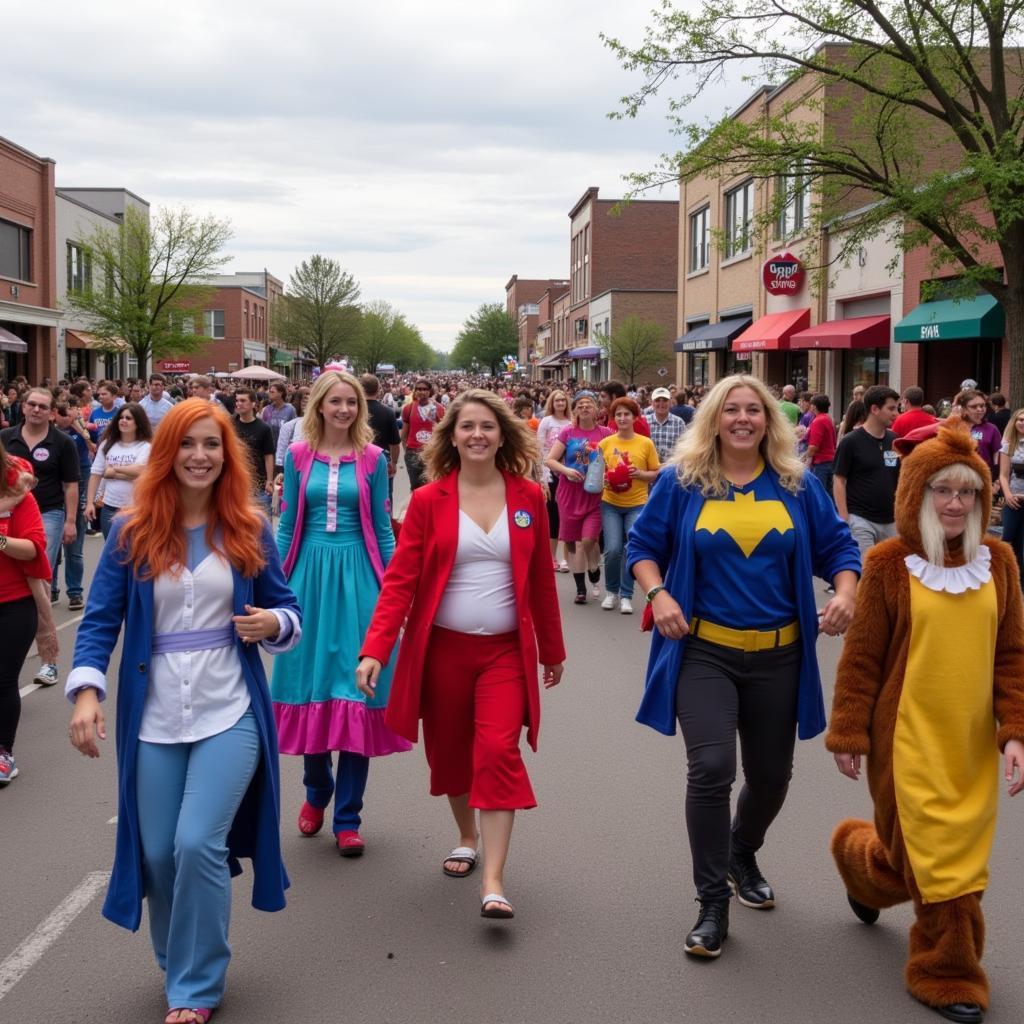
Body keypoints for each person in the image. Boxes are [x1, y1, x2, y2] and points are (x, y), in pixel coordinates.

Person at [66, 399, 301, 1024]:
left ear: (228, 455)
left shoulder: (251, 526)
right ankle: (178, 959)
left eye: (213, 444)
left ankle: (197, 983)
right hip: (155, 714)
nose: (201, 456)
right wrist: (87, 692)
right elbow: (98, 625)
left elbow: (288, 610)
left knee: (198, 842)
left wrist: (271, 622)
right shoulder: (131, 530)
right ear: (166, 453)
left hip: (231, 709)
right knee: (160, 852)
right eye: (189, 444)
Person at [627, 374, 860, 958]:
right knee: (710, 768)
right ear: (714, 418)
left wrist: (846, 591)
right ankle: (712, 902)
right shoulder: (684, 483)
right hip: (704, 649)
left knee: (772, 777)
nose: (742, 419)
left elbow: (839, 548)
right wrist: (659, 595)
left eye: (753, 410)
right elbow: (642, 548)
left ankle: (740, 849)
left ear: (769, 420)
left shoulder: (797, 484)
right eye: (730, 409)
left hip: (780, 655)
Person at [826, 423, 1024, 1024]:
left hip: (969, 745)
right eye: (943, 490)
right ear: (916, 493)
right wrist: (849, 731)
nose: (956, 504)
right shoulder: (888, 563)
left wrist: (1014, 730)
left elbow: (1012, 655)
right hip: (906, 738)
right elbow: (860, 659)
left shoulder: (1001, 562)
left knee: (926, 856)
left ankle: (862, 865)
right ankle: (948, 971)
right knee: (943, 862)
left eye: (967, 492)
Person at [357, 389, 565, 920]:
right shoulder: (429, 500)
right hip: (443, 651)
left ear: (503, 435)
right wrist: (376, 649)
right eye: (467, 426)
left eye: (487, 427)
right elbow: (400, 582)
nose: (477, 435)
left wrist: (552, 650)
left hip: (504, 654)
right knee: (450, 754)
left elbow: (541, 578)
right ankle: (465, 835)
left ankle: (493, 880)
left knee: (497, 750)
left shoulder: (527, 497)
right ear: (451, 436)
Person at [271, 370, 410, 857]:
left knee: (355, 691)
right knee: (312, 686)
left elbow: (383, 528)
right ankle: (315, 791)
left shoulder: (373, 460)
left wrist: (397, 590)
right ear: (319, 406)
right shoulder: (297, 455)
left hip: (359, 579)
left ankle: (349, 816)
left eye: (352, 402)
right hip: (308, 576)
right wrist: (277, 589)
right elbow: (287, 526)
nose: (345, 409)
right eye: (336, 402)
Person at [1, 386, 79, 684]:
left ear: (51, 412)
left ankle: (48, 659)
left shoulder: (62, 442)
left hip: (47, 512)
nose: (36, 410)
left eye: (42, 406)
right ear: (23, 407)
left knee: (39, 576)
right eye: (31, 404)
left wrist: (71, 521)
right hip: (6, 514)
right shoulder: (5, 439)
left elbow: (71, 484)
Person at [0, 440, 51, 785]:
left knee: (2, 681)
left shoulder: (19, 495)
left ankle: (4, 753)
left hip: (12, 604)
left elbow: (33, 548)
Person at [544, 390, 612, 604]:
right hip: (569, 494)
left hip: (594, 495)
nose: (584, 408)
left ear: (596, 410)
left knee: (588, 540)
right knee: (573, 544)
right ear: (575, 411)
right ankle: (580, 589)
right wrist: (566, 471)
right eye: (580, 405)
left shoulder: (606, 434)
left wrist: (609, 475)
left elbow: (615, 460)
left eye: (589, 404)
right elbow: (550, 460)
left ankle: (593, 568)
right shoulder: (567, 433)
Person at [597, 397, 660, 614]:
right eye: (618, 415)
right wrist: (603, 480)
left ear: (635, 417)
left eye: (627, 414)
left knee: (630, 548)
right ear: (614, 418)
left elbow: (655, 473)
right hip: (610, 503)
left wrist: (641, 474)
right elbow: (596, 474)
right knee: (613, 549)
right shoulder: (605, 444)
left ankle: (626, 595)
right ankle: (611, 592)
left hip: (637, 504)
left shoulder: (645, 443)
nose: (622, 418)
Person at [833, 385, 900, 556]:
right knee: (866, 574)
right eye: (891, 408)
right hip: (861, 520)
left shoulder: (895, 440)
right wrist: (844, 517)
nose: (896, 413)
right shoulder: (851, 441)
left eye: (897, 408)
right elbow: (839, 480)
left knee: (890, 575)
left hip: (891, 520)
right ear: (875, 409)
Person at [86, 403, 153, 540]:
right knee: (111, 552)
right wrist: (89, 503)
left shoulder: (145, 447)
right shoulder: (106, 444)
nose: (123, 421)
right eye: (121, 417)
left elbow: (141, 471)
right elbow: (96, 473)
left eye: (128, 418)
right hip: (109, 508)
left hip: (136, 509)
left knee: (134, 553)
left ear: (138, 422)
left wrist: (114, 471)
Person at [54, 397, 92, 610]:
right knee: (51, 549)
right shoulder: (49, 436)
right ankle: (50, 588)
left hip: (74, 496)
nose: (67, 418)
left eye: (71, 414)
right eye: (63, 414)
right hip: (51, 501)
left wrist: (79, 426)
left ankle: (75, 591)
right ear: (54, 415)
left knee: (73, 549)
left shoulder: (80, 433)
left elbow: (92, 443)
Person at [537, 389, 572, 571]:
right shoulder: (546, 422)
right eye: (557, 401)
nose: (560, 404)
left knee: (566, 516)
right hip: (550, 474)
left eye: (563, 401)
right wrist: (543, 476)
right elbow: (541, 449)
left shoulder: (571, 422)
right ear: (552, 403)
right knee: (553, 517)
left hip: (568, 474)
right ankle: (552, 556)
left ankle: (566, 558)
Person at [360, 373, 402, 507]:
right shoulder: (388, 412)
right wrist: (394, 463)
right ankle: (386, 524)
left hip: (358, 458)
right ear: (379, 390)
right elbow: (395, 443)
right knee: (385, 496)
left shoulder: (355, 411)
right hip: (382, 459)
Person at [232, 389, 274, 515]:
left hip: (258, 485)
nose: (238, 403)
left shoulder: (264, 428)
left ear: (253, 404)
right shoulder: (230, 425)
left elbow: (268, 456)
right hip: (235, 483)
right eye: (237, 400)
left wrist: (269, 480)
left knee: (262, 523)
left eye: (243, 400)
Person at [998, 407, 1024, 583]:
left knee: (1023, 546)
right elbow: (1003, 474)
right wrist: (1007, 495)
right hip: (1013, 499)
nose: (1022, 423)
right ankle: (1005, 579)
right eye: (1020, 419)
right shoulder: (1008, 444)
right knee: (1008, 539)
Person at [401, 378, 440, 490]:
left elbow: (443, 432)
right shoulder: (408, 408)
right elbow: (404, 434)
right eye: (418, 389)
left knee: (431, 486)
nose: (421, 392)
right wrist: (407, 450)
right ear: (415, 391)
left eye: (425, 389)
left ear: (430, 391)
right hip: (413, 452)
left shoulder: (439, 409)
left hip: (432, 453)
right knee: (415, 487)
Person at [957, 389, 1002, 479]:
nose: (980, 409)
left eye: (982, 406)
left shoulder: (992, 429)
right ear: (964, 409)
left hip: (983, 478)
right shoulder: (955, 426)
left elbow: (997, 457)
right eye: (974, 407)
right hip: (958, 477)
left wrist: (996, 480)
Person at [803, 394, 837, 494]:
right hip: (830, 461)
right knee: (828, 494)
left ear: (814, 406)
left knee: (819, 494)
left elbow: (813, 446)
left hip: (821, 463)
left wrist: (804, 458)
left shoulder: (818, 421)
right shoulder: (828, 418)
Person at [642, 387, 687, 462]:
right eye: (657, 400)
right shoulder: (644, 421)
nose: (661, 404)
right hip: (648, 469)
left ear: (670, 402)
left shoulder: (679, 423)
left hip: (671, 468)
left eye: (665, 400)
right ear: (652, 403)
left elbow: (684, 447)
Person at [260, 382, 296, 451]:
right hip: (269, 448)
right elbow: (263, 429)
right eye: (269, 391)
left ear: (280, 393)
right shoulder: (267, 409)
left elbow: (294, 429)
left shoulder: (290, 409)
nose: (269, 393)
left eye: (272, 392)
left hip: (285, 448)